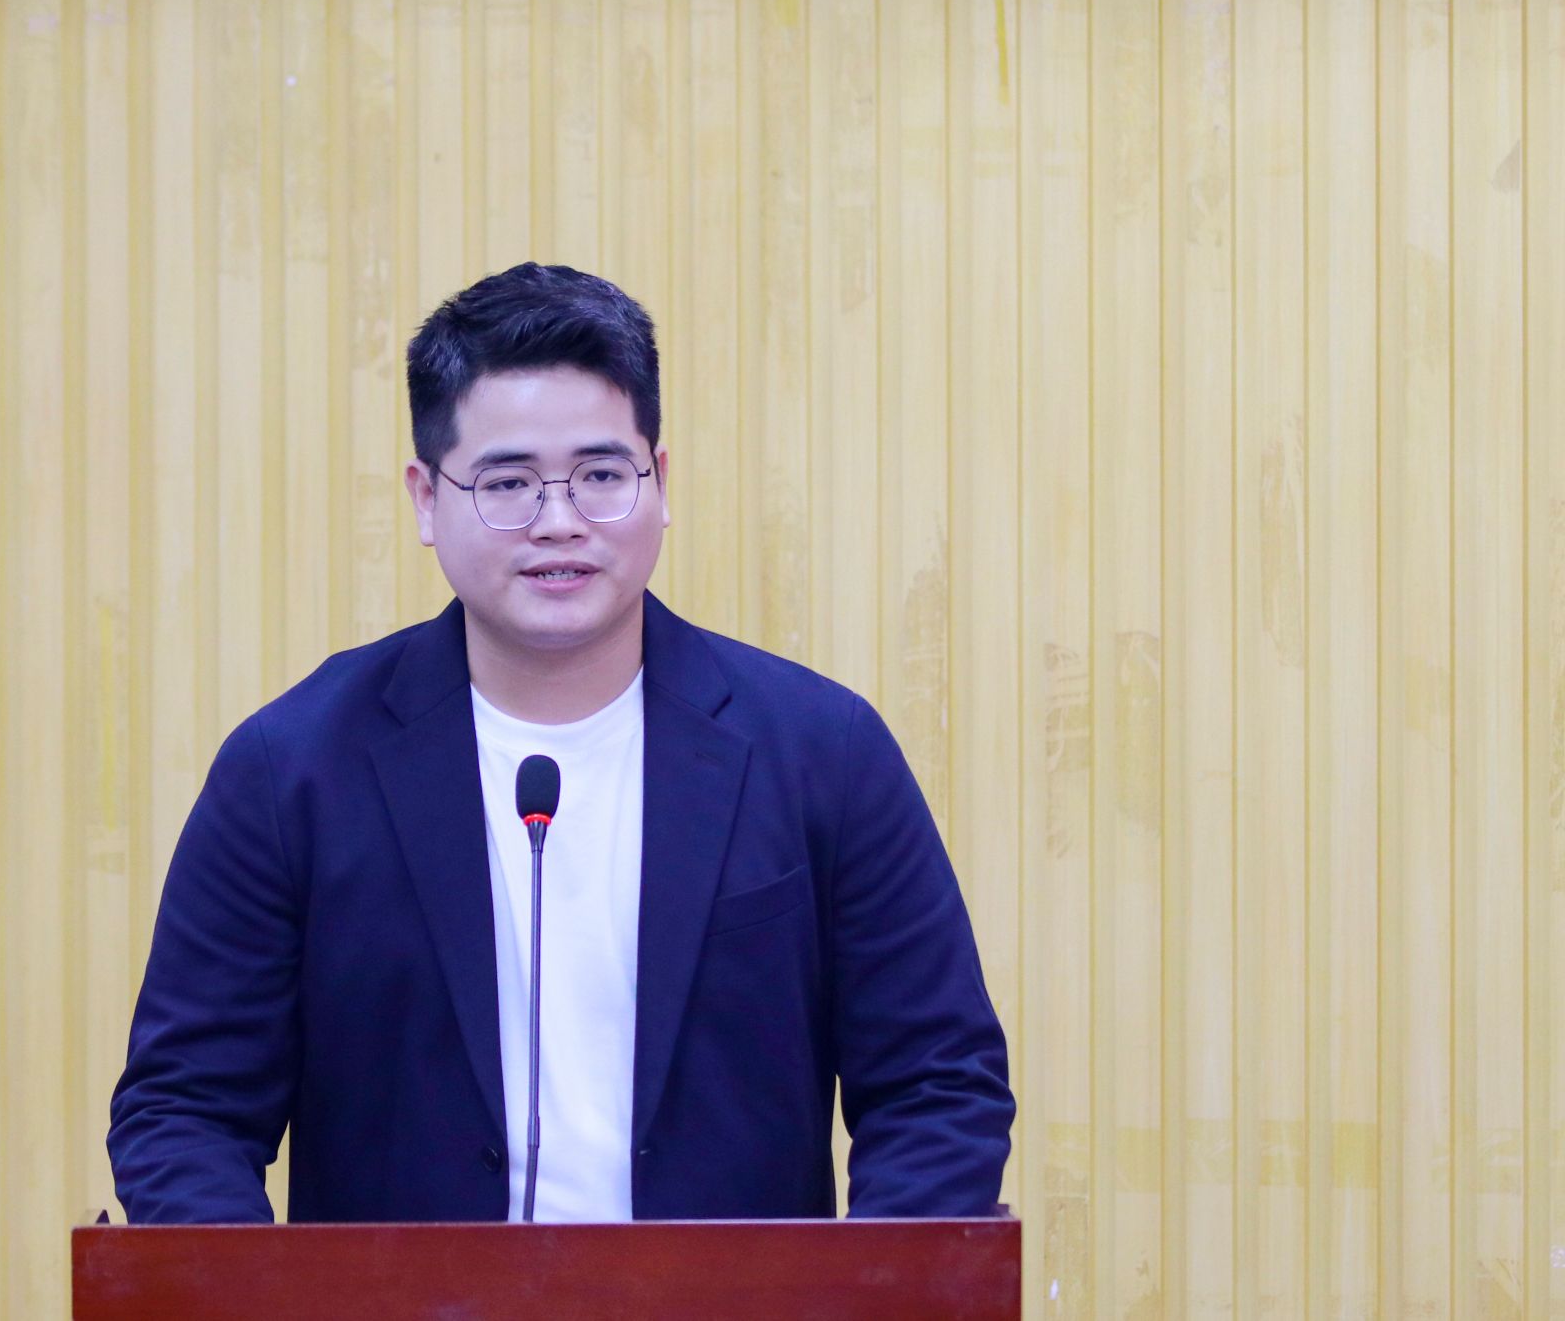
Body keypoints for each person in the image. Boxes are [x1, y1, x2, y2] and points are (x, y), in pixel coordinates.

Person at [109, 262, 1013, 1224]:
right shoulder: (293, 771)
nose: (560, 522)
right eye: (508, 482)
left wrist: (860, 1289)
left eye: (601, 476)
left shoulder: (822, 753)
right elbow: (184, 1112)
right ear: (425, 498)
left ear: (660, 482)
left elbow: (937, 1083)